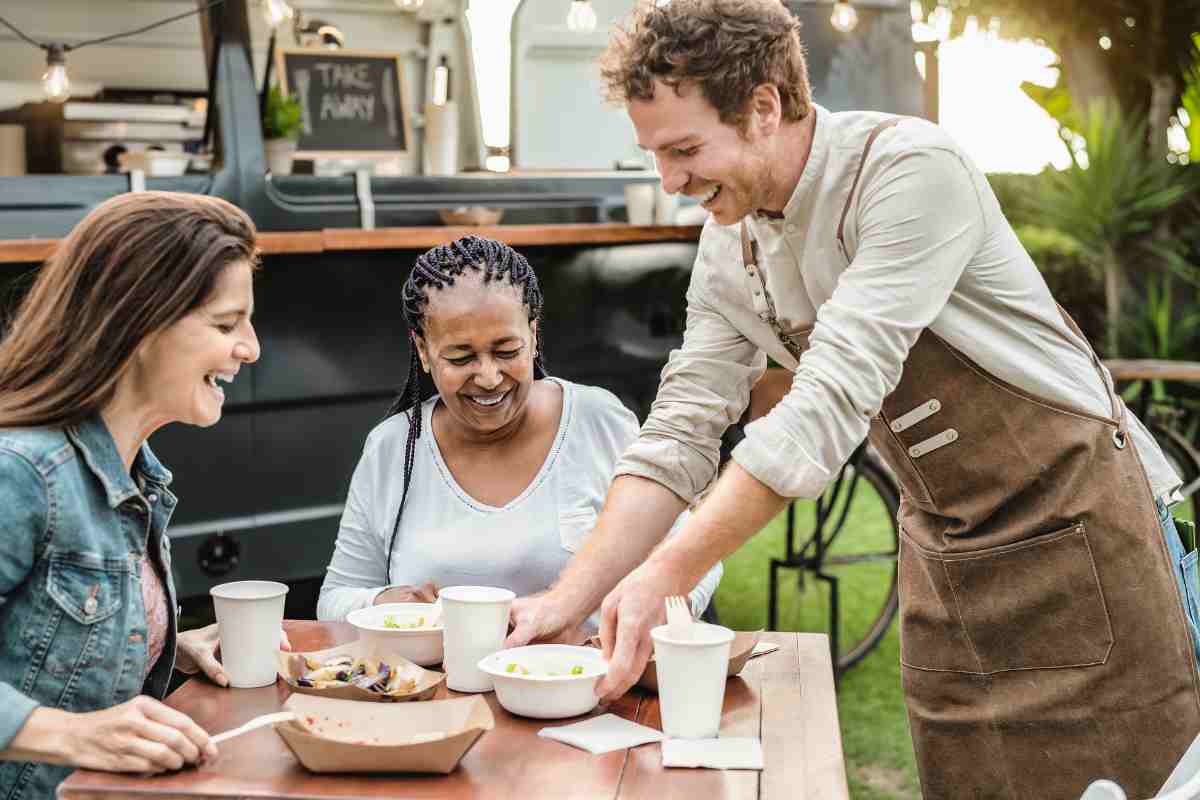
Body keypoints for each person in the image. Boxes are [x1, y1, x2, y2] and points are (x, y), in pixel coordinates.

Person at [503, 2, 1200, 798]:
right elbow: (681, 430)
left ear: (764, 107)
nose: (669, 181)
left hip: (1079, 536)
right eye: (653, 154)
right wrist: (571, 596)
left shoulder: (911, 172)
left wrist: (669, 570)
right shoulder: (729, 245)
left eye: (686, 149)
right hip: (947, 553)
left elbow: (827, 401)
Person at [0, 191, 269, 798]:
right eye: (227, 324)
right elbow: (73, 723)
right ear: (140, 323)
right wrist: (71, 736)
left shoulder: (136, 471)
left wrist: (165, 646)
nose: (250, 348)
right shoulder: (24, 471)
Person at [317, 235, 720, 629]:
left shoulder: (596, 421)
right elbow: (335, 597)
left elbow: (696, 559)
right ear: (422, 351)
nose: (489, 377)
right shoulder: (393, 447)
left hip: (584, 685)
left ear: (533, 333)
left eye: (507, 351)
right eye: (461, 357)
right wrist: (383, 602)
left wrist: (636, 621)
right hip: (438, 693)